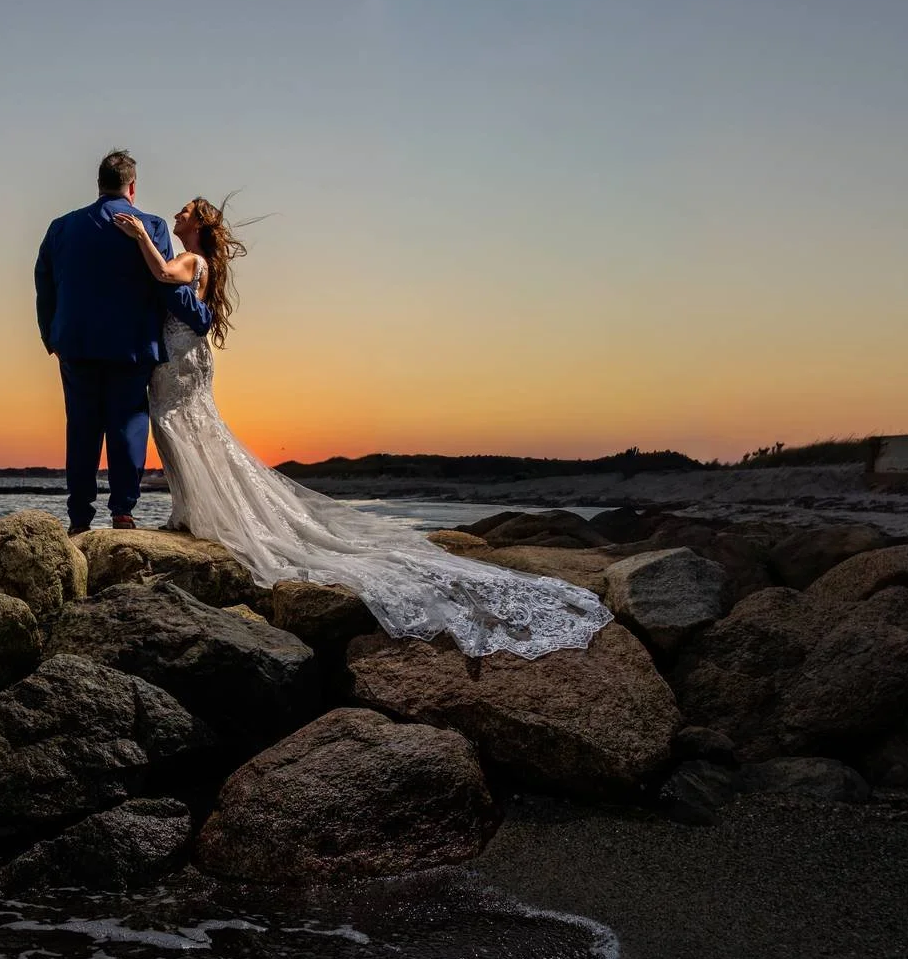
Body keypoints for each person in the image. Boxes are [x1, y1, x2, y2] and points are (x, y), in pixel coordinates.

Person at [109, 197, 611, 659]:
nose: (174, 215)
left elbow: (161, 272)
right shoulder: (210, 266)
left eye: (183, 212)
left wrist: (138, 237)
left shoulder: (191, 260)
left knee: (175, 425)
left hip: (178, 358)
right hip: (192, 357)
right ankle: (194, 510)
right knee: (193, 429)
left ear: (196, 225)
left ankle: (192, 512)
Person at [34, 150, 212, 536]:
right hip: (132, 344)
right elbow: (163, 284)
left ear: (99, 183)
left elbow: (43, 283)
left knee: (81, 428)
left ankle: (79, 517)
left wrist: (51, 336)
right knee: (128, 425)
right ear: (132, 186)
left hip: (76, 344)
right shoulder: (149, 225)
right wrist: (200, 315)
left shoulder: (61, 228)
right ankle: (123, 512)